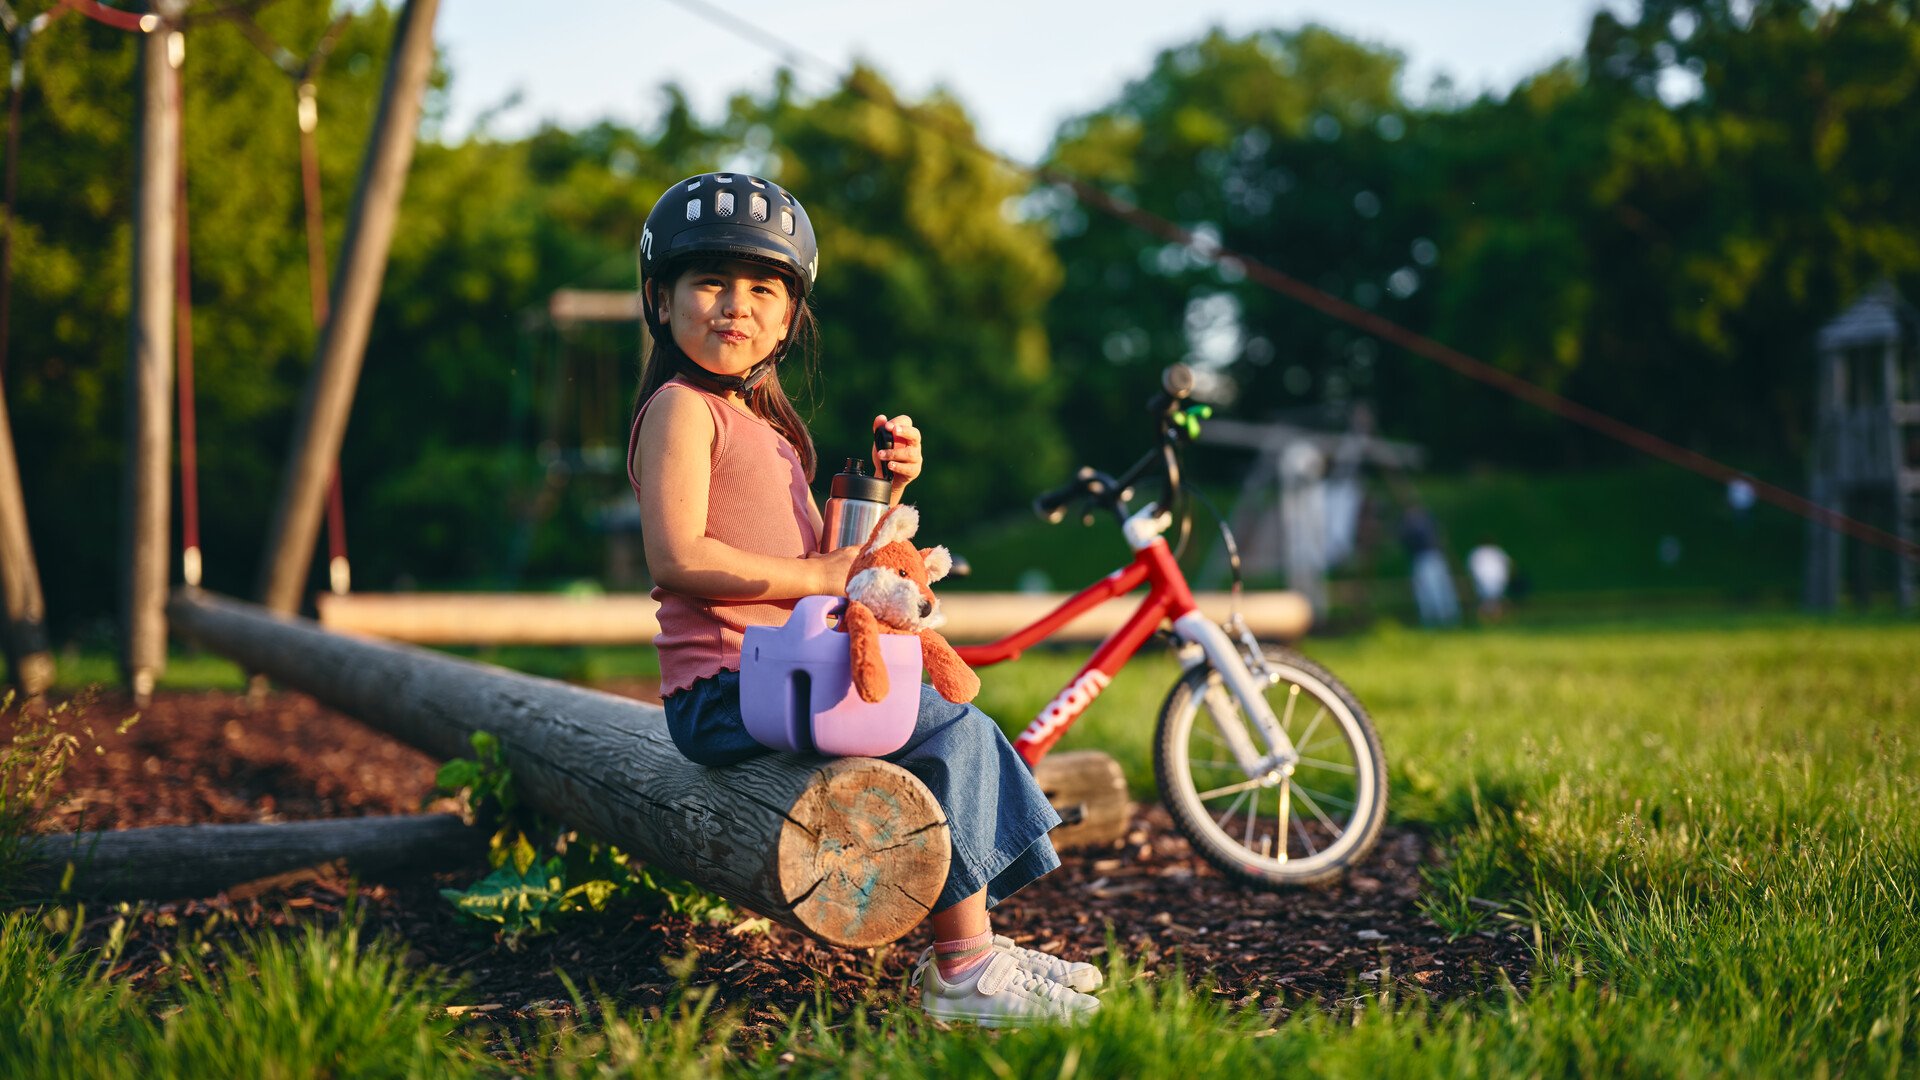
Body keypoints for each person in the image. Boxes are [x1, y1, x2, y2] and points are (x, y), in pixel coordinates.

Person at [625, 172, 1099, 1027]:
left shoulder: (768, 430)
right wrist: (826, 576)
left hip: (779, 675)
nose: (735, 305)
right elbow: (679, 555)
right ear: (661, 301)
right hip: (724, 694)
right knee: (946, 724)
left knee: (953, 719)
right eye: (710, 283)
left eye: (761, 289)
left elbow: (826, 561)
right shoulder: (680, 409)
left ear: (789, 315)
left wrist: (886, 487)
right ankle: (962, 973)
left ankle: (976, 950)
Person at [1465, 538, 1512, 621]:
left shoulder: (1477, 552)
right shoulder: (1497, 551)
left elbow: (1471, 567)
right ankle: (1492, 617)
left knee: (1487, 600)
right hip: (1496, 579)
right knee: (1493, 600)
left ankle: (1487, 618)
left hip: (1484, 579)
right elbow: (1507, 564)